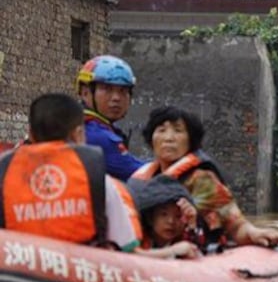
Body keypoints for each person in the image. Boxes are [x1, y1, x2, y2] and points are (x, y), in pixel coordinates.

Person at [0, 93, 142, 251]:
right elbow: (126, 247)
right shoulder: (100, 179)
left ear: (31, 134)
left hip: (19, 273)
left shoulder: (5, 175)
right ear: (78, 134)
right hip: (82, 271)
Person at [129, 106, 278, 248]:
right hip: (152, 255)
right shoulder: (144, 179)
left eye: (178, 131)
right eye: (161, 130)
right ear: (151, 139)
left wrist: (254, 233)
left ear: (191, 140)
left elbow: (235, 225)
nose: (169, 138)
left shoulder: (201, 180)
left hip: (197, 253)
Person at [76, 55, 144, 180]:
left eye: (123, 91)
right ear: (86, 93)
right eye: (107, 89)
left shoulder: (75, 122)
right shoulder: (95, 135)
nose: (116, 98)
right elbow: (141, 174)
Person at [130, 175, 203, 259]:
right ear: (150, 217)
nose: (171, 221)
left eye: (178, 216)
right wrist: (172, 251)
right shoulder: (137, 237)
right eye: (163, 214)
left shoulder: (184, 239)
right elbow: (131, 256)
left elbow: (197, 253)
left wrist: (192, 223)